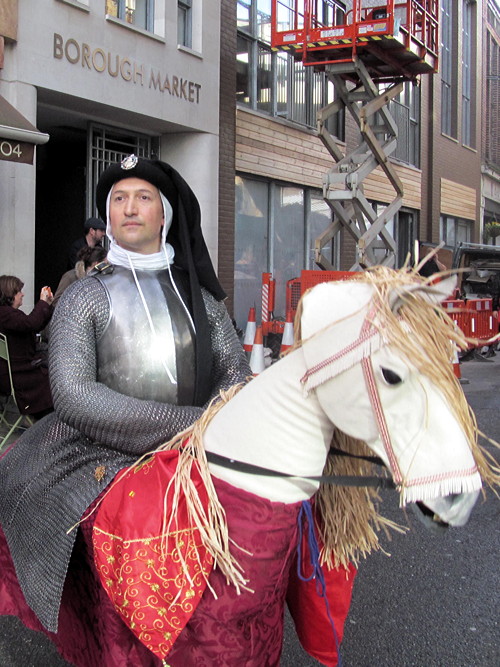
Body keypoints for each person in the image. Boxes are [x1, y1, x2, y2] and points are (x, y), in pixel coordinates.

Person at [0, 155, 250, 662]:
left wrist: (219, 423)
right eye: (118, 199)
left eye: (143, 197)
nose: (129, 208)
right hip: (100, 449)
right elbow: (74, 396)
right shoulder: (84, 297)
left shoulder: (201, 297)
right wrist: (193, 426)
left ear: (165, 215)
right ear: (107, 216)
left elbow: (235, 375)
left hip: (201, 448)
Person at [0, 275, 54, 419]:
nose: (22, 294)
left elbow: (31, 326)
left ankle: (37, 418)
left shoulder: (8, 314)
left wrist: (47, 305)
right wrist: (42, 302)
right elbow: (31, 324)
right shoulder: (6, 314)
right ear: (10, 294)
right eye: (19, 292)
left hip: (15, 370)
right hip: (19, 374)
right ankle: (44, 421)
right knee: (55, 378)